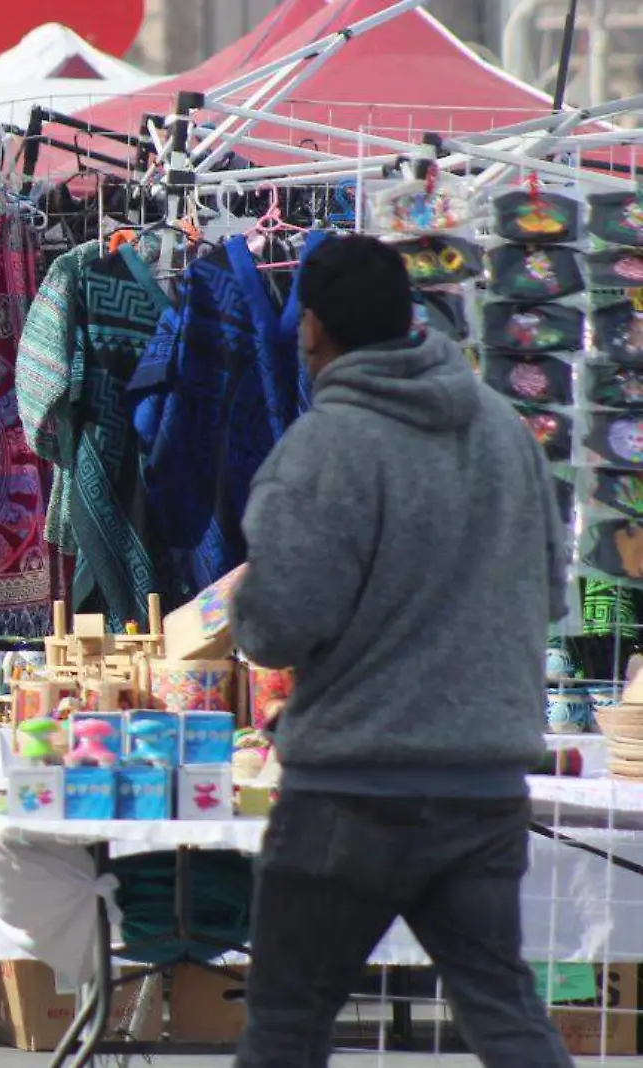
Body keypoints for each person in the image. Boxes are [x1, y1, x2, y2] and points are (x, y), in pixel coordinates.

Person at [229, 234, 572, 1068]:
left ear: (310, 327)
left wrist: (245, 601)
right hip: (484, 787)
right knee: (506, 1013)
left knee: (287, 1021)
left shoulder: (325, 448)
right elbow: (551, 596)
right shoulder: (504, 431)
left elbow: (277, 628)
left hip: (353, 789)